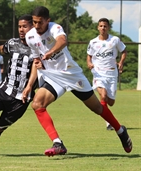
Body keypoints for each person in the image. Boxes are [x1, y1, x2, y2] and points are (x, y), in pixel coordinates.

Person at [22, 6, 132, 157]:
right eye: (34, 22)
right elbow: (36, 59)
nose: (36, 26)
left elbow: (62, 41)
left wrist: (50, 52)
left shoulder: (55, 28)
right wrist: (30, 83)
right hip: (53, 76)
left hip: (71, 74)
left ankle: (120, 131)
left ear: (48, 20)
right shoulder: (30, 36)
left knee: (97, 108)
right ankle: (58, 143)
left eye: (40, 22)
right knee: (37, 105)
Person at [0, 14, 37, 147]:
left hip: (21, 99)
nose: (21, 29)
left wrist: (30, 86)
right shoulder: (12, 43)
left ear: (32, 27)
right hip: (4, 90)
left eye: (25, 26)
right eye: (19, 27)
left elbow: (38, 68)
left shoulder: (38, 47)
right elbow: (1, 49)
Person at [87, 18, 127, 131]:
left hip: (112, 73)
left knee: (111, 102)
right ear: (98, 27)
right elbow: (89, 56)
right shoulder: (93, 42)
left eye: (105, 26)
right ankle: (108, 122)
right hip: (98, 73)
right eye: (101, 26)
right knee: (103, 95)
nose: (103, 28)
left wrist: (121, 63)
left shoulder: (115, 40)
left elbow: (124, 51)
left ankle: (108, 117)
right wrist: (89, 63)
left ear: (108, 28)